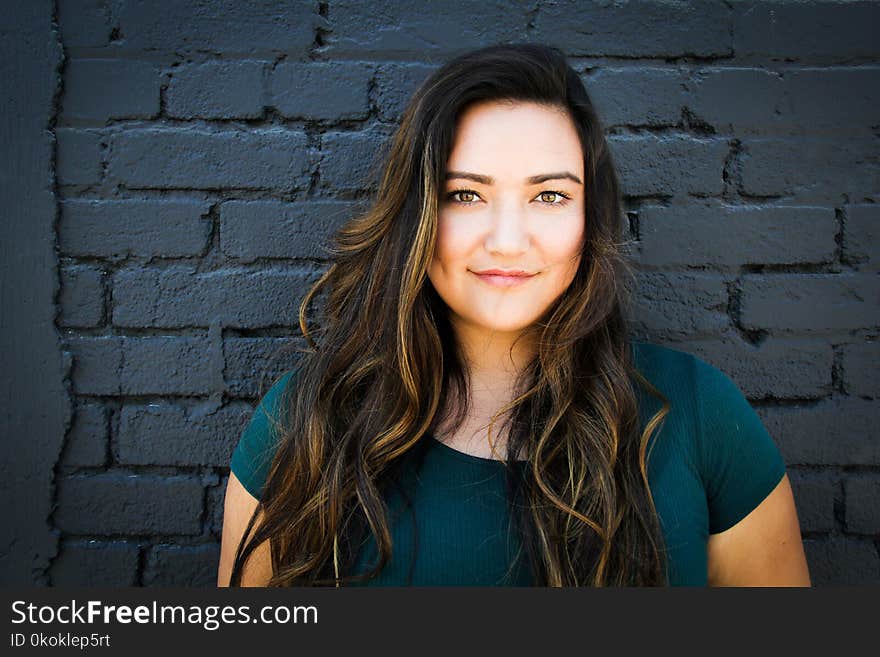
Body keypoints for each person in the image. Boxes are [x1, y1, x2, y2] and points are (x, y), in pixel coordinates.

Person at [217, 43, 811, 587]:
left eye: (549, 196)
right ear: (416, 215)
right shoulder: (307, 425)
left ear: (590, 220)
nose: (506, 241)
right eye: (464, 195)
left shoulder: (700, 415)